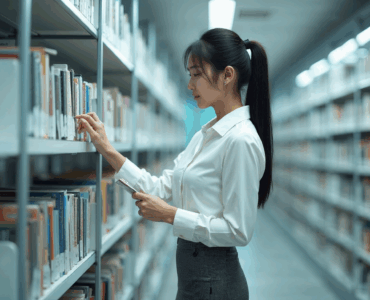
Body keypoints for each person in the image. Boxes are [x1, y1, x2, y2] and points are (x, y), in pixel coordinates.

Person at [75, 27, 273, 300]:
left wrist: (170, 215)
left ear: (228, 75)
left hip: (216, 283)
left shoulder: (240, 141)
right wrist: (107, 149)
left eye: (196, 75)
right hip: (193, 277)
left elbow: (238, 231)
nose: (190, 85)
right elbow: (160, 188)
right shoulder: (205, 135)